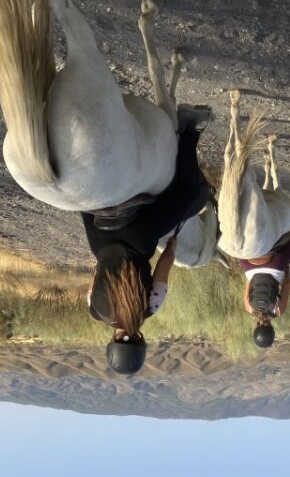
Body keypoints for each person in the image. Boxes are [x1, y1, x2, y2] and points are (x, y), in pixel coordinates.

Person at [84, 105, 211, 374]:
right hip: (100, 242)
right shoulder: (94, 310)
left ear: (141, 341)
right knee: (80, 196)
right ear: (111, 342)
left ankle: (189, 127)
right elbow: (96, 274)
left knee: (190, 192)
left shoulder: (149, 307)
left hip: (139, 238)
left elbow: (165, 263)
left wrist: (172, 246)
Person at [239, 198, 290, 348]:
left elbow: (287, 284)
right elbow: (248, 282)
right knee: (238, 247)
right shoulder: (248, 308)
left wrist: (286, 266)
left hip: (275, 265)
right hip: (249, 266)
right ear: (256, 328)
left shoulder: (278, 311)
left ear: (272, 330)